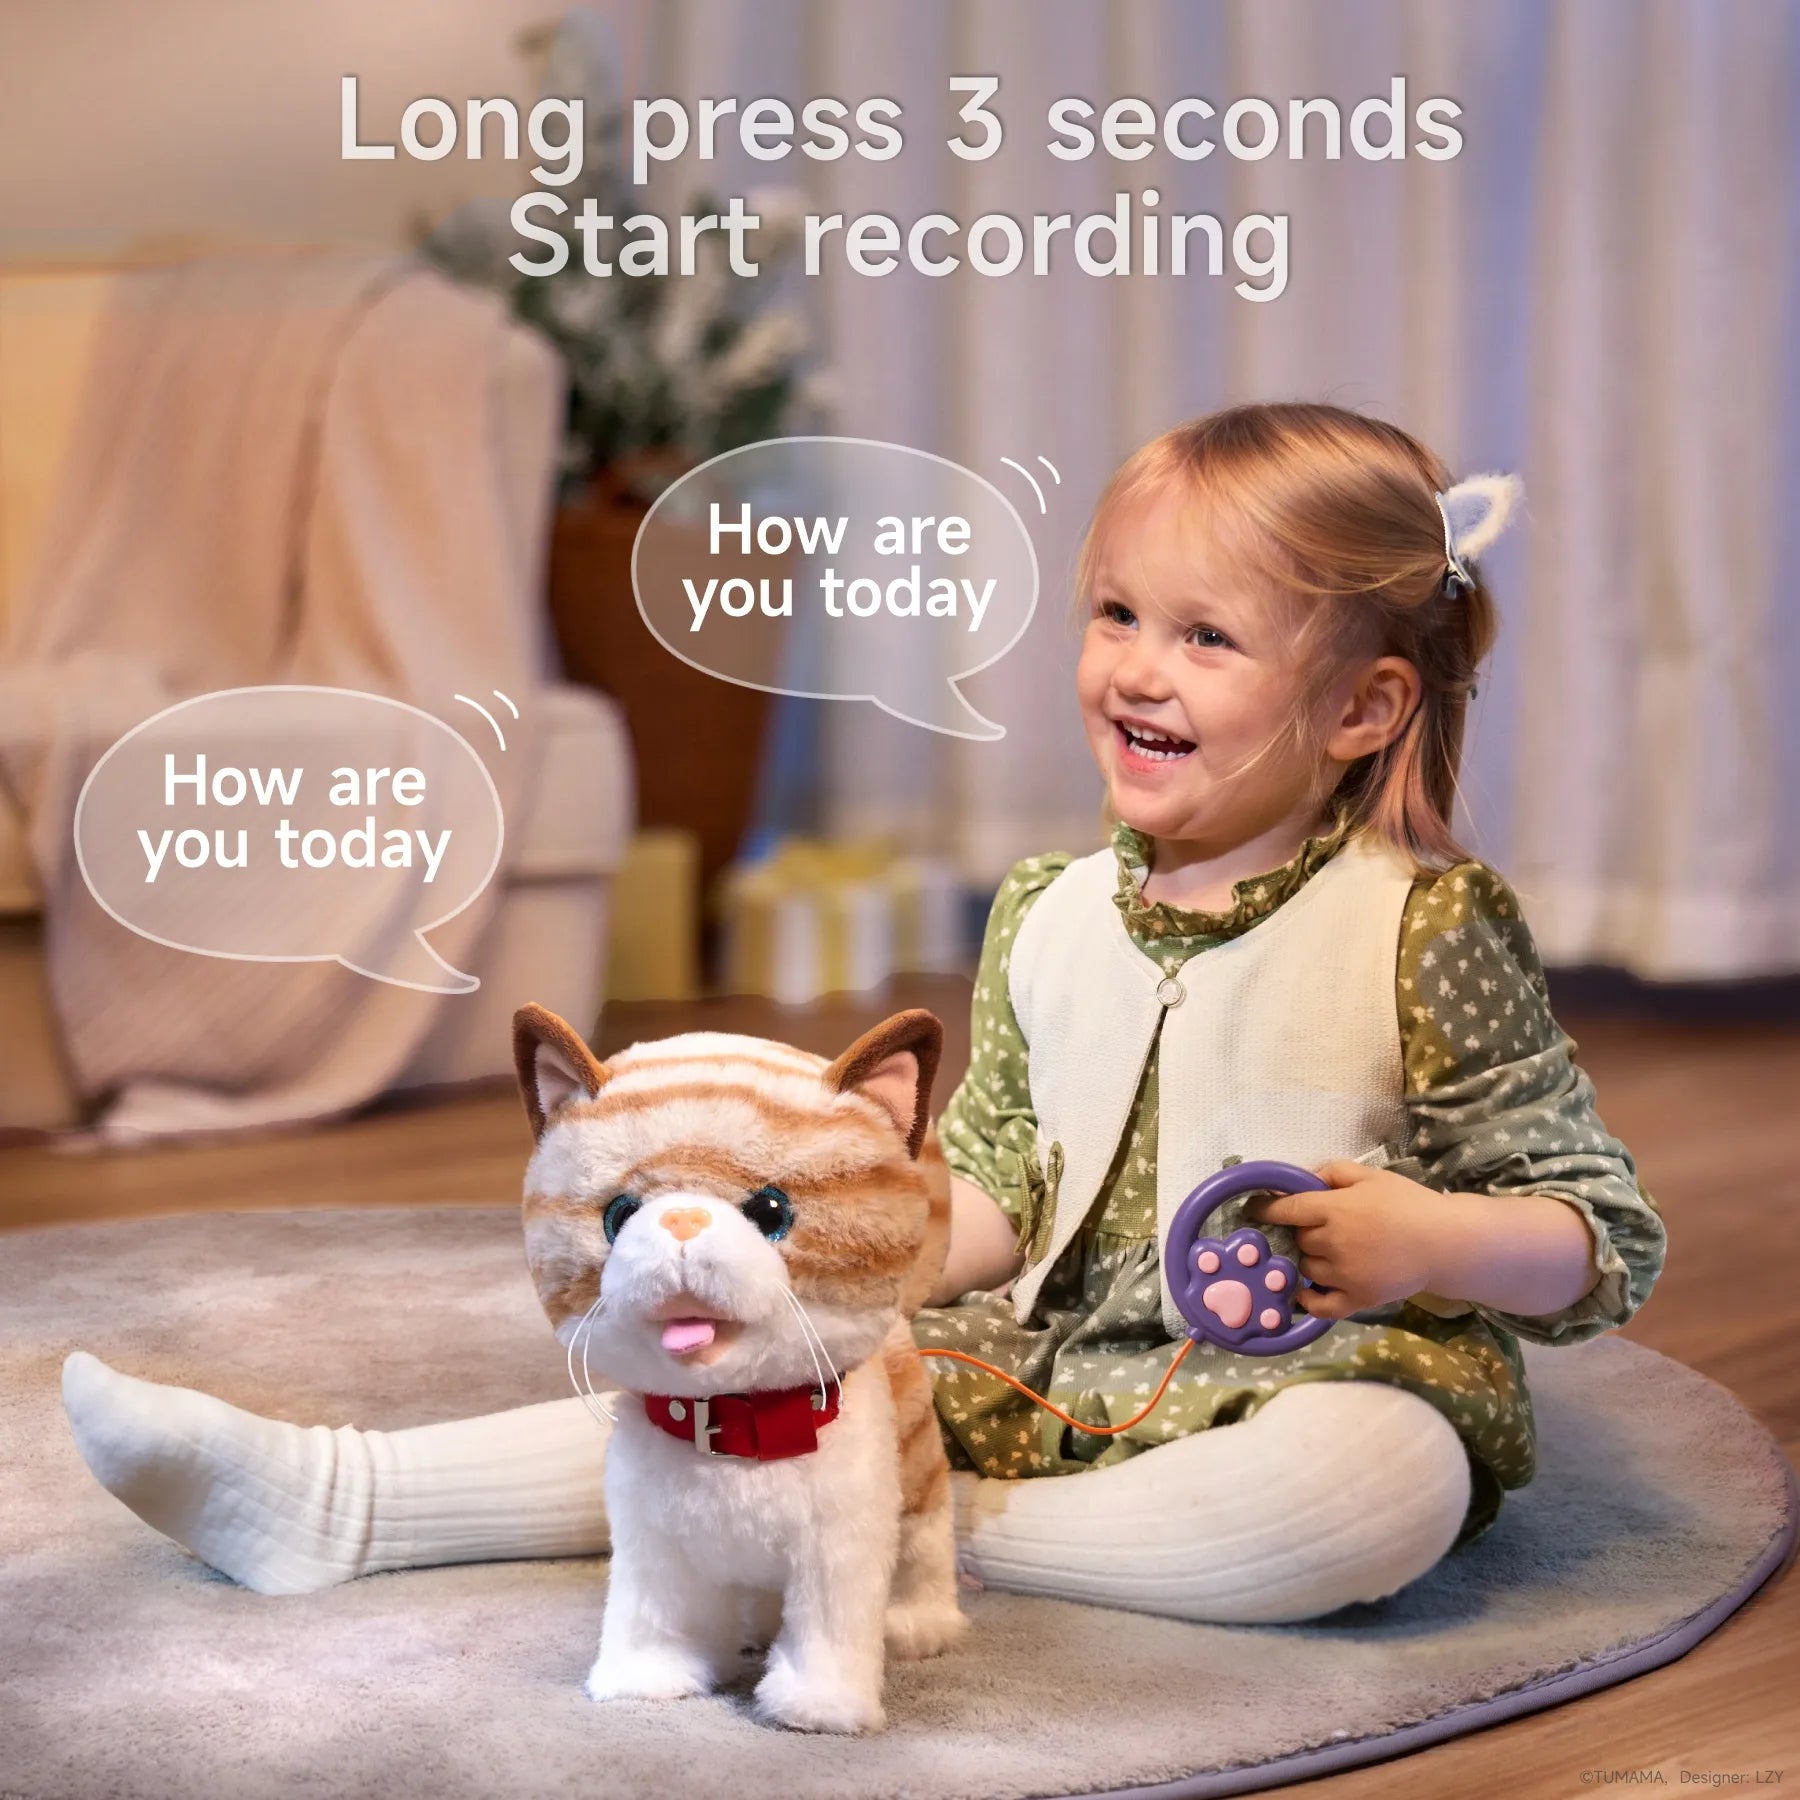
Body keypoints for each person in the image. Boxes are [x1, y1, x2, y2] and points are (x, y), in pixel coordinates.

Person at [62, 402, 1666, 1625]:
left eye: (1207, 637)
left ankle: (904, 1529)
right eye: (1116, 615)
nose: (1136, 670)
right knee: (752, 1384)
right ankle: (346, 1499)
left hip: (1311, 1383)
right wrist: (824, 1256)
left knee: (1375, 1494)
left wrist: (1432, 1245)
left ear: (1362, 708)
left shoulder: (1427, 924)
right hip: (1039, 1364)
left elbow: (1601, 1235)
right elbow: (983, 1195)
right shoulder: (1047, 910)